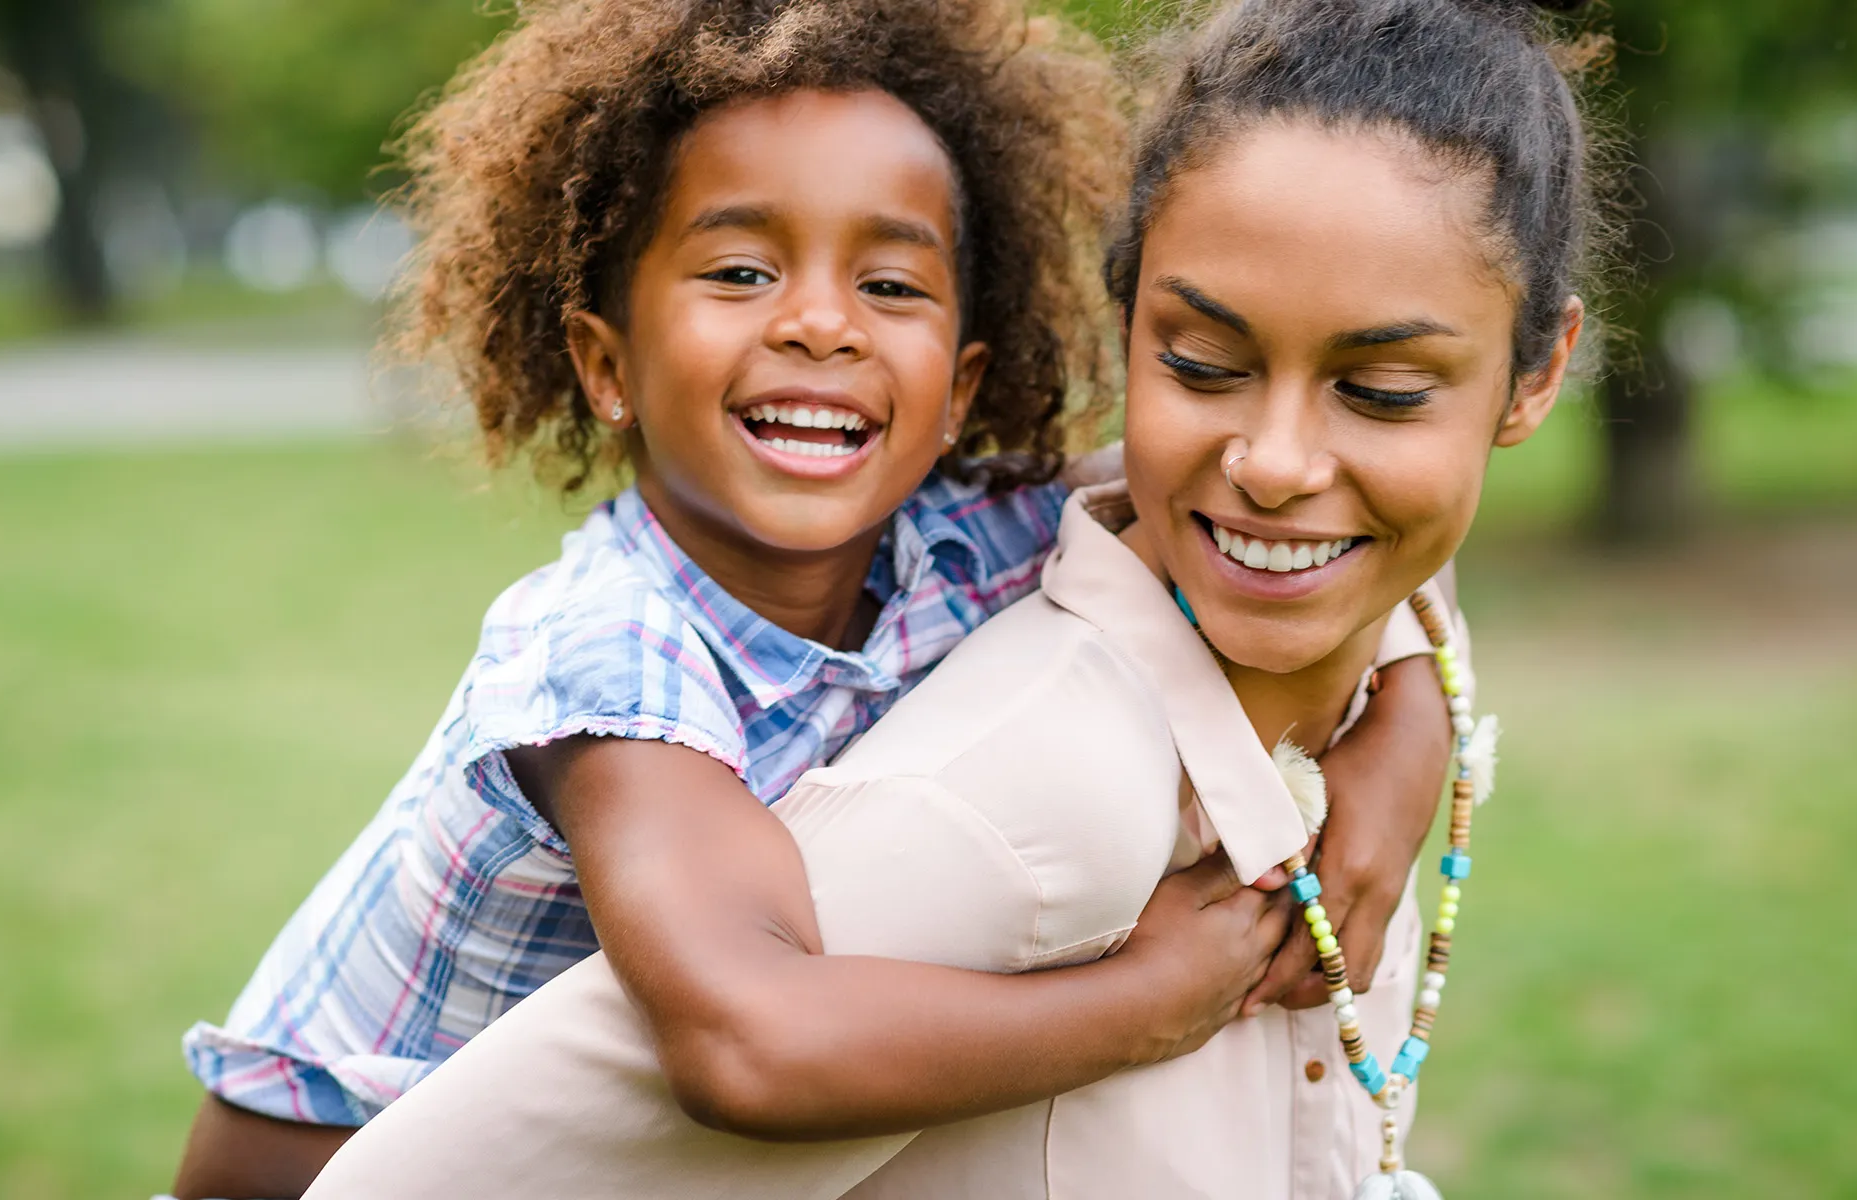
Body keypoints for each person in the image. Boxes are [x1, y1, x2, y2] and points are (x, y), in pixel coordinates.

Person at [299, 0, 1602, 1193]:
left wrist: (1409, 726)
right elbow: (745, 1046)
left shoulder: (963, 538)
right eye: (742, 271)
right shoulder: (611, 654)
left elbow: (1303, 541)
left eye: (890, 283)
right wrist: (1143, 1004)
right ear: (604, 361)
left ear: (965, 386)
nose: (820, 324)